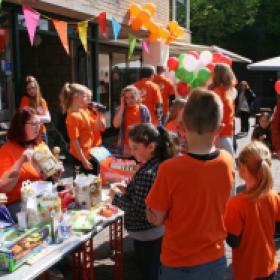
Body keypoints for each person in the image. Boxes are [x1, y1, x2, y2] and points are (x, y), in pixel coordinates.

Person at [146, 89, 234, 280]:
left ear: (182, 127)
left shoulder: (170, 169)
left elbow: (156, 217)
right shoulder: (227, 161)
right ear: (220, 128)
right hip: (215, 260)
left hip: (178, 263)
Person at [109, 123, 176, 280]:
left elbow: (138, 209)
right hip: (153, 232)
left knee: (149, 271)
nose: (131, 152)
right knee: (154, 268)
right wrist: (129, 190)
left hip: (146, 233)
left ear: (151, 146)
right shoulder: (156, 164)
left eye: (135, 148)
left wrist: (115, 198)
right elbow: (145, 198)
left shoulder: (147, 173)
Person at [225, 141, 280, 280]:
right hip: (269, 265)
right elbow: (277, 231)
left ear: (242, 169)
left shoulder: (236, 203)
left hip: (246, 270)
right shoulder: (275, 197)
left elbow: (233, 241)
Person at [0, 108, 61, 219]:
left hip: (42, 197)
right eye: (33, 123)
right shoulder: (6, 150)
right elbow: (4, 187)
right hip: (18, 203)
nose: (38, 126)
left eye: (38, 123)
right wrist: (20, 161)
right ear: (20, 126)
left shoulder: (40, 145)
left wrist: (54, 174)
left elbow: (47, 177)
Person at [60, 83, 106, 175]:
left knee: (93, 182)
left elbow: (97, 128)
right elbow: (74, 140)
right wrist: (83, 160)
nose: (88, 99)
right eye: (85, 96)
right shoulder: (72, 116)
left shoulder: (84, 111)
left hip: (90, 154)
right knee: (81, 185)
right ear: (76, 97)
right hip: (80, 157)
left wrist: (99, 113)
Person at [113, 85, 151, 155]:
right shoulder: (120, 109)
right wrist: (122, 107)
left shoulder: (143, 109)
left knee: (140, 164)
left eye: (132, 97)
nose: (130, 100)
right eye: (126, 98)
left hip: (141, 144)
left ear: (137, 96)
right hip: (126, 145)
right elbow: (116, 125)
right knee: (127, 165)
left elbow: (149, 127)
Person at [209, 63, 237, 157]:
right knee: (230, 167)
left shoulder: (222, 92)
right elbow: (214, 118)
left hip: (226, 135)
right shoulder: (217, 93)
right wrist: (216, 141)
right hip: (221, 137)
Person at [20, 76, 51, 143]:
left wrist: (35, 118)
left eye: (33, 88)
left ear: (37, 87)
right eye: (28, 89)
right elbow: (25, 117)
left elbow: (48, 119)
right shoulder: (25, 100)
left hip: (42, 133)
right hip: (30, 133)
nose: (31, 91)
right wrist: (41, 118)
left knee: (44, 153)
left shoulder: (42, 101)